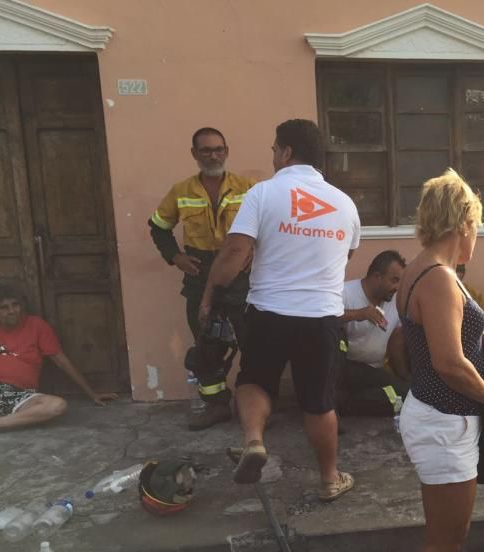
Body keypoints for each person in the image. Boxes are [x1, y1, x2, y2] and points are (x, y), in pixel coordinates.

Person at [200, 119, 360, 502]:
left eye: (274, 149)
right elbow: (347, 255)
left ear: (287, 152)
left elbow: (235, 253)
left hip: (269, 310)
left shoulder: (263, 194)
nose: (272, 156)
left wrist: (209, 293)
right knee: (318, 402)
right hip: (321, 316)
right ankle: (328, 479)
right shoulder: (345, 203)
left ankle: (254, 441)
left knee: (254, 381)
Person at [395, 169, 484, 552]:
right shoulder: (436, 277)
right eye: (477, 225)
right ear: (464, 222)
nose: (477, 237)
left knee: (449, 538)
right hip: (443, 421)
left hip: (437, 416)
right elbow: (450, 362)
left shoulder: (423, 269)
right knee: (444, 541)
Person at [149, 127, 255, 430]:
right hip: (199, 273)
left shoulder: (248, 187)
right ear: (194, 154)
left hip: (240, 276)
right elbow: (158, 226)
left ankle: (256, 407)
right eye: (206, 150)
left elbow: (267, 224)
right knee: (205, 342)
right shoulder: (181, 191)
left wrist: (253, 251)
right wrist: (175, 257)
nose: (213, 155)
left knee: (252, 343)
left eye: (218, 149)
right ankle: (216, 405)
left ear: (227, 150)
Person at [0, 286, 117, 430]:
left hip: (21, 395)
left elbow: (61, 361)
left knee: (56, 406)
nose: (12, 311)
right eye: (4, 308)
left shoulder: (36, 326)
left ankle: (2, 423)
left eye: (15, 305)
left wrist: (92, 393)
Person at [338, 250, 409, 416]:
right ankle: (338, 401)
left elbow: (395, 343)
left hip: (373, 373)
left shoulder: (396, 302)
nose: (397, 287)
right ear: (377, 276)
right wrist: (359, 314)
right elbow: (323, 322)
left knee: (403, 395)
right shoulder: (345, 293)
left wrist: (404, 377)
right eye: (394, 280)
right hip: (343, 368)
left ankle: (345, 404)